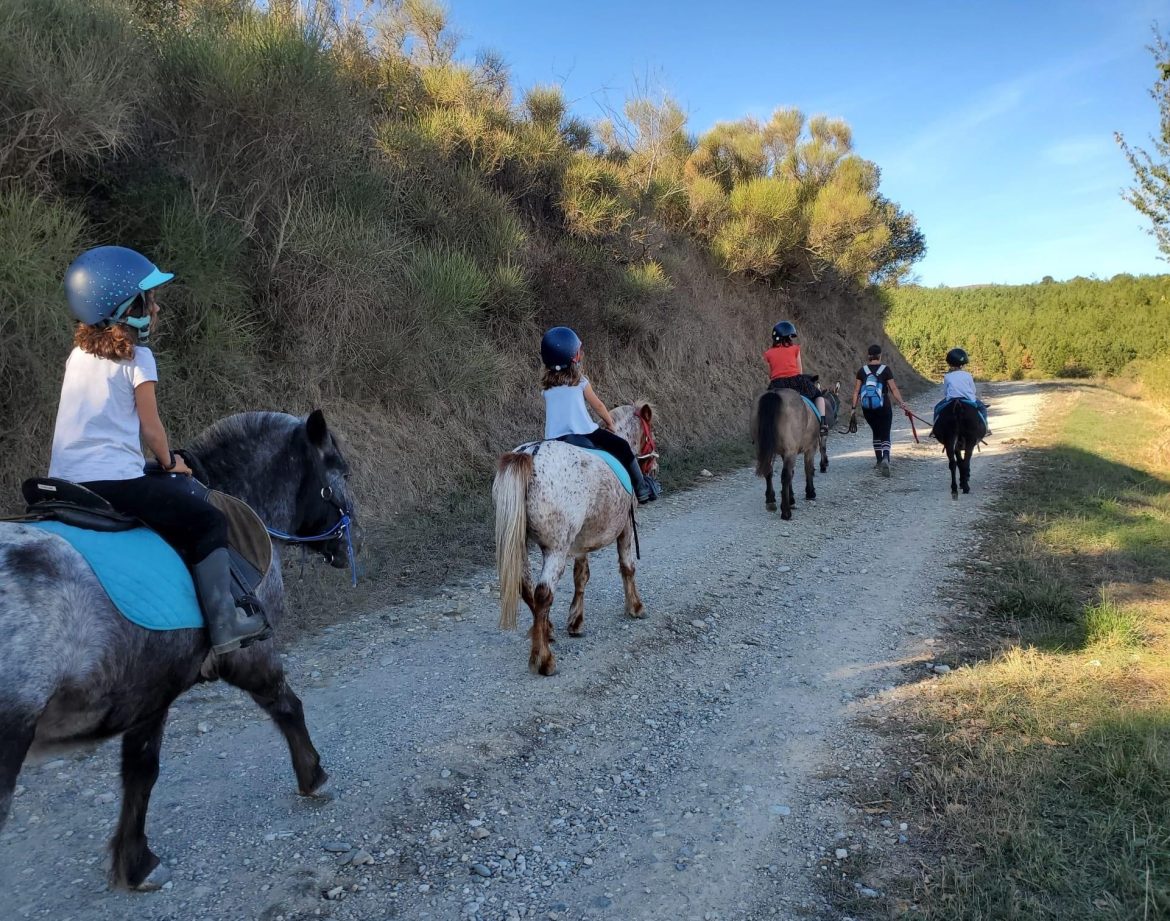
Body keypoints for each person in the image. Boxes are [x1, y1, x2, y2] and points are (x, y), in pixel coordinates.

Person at [49, 245, 270, 655]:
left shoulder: (77, 356)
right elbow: (152, 428)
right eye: (148, 301)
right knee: (207, 522)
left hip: (64, 480)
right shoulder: (139, 358)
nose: (155, 310)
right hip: (112, 482)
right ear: (124, 306)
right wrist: (171, 463)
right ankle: (225, 625)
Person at [540, 326, 653, 504]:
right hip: (583, 432)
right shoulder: (581, 382)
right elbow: (599, 406)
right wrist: (610, 423)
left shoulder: (546, 388)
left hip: (553, 438)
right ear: (574, 357)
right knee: (622, 447)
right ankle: (642, 489)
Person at [849, 344, 908, 477]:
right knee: (885, 432)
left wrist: (853, 408)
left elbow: (856, 391)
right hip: (883, 405)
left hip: (867, 407)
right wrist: (902, 403)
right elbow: (893, 389)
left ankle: (878, 460)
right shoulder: (885, 370)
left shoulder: (862, 370)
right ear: (880, 355)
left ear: (868, 356)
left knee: (876, 432)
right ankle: (886, 458)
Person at [763, 321, 828, 436]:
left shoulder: (768, 353)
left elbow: (770, 374)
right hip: (795, 381)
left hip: (776, 385)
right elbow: (800, 371)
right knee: (818, 395)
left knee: (766, 404)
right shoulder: (795, 349)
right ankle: (823, 423)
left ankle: (762, 431)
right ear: (788, 337)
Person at [937, 347, 990, 433]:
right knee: (982, 408)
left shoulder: (947, 376)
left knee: (937, 408)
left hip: (951, 400)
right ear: (962, 364)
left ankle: (935, 430)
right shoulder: (968, 375)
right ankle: (986, 429)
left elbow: (945, 392)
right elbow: (973, 390)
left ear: (949, 363)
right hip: (968, 399)